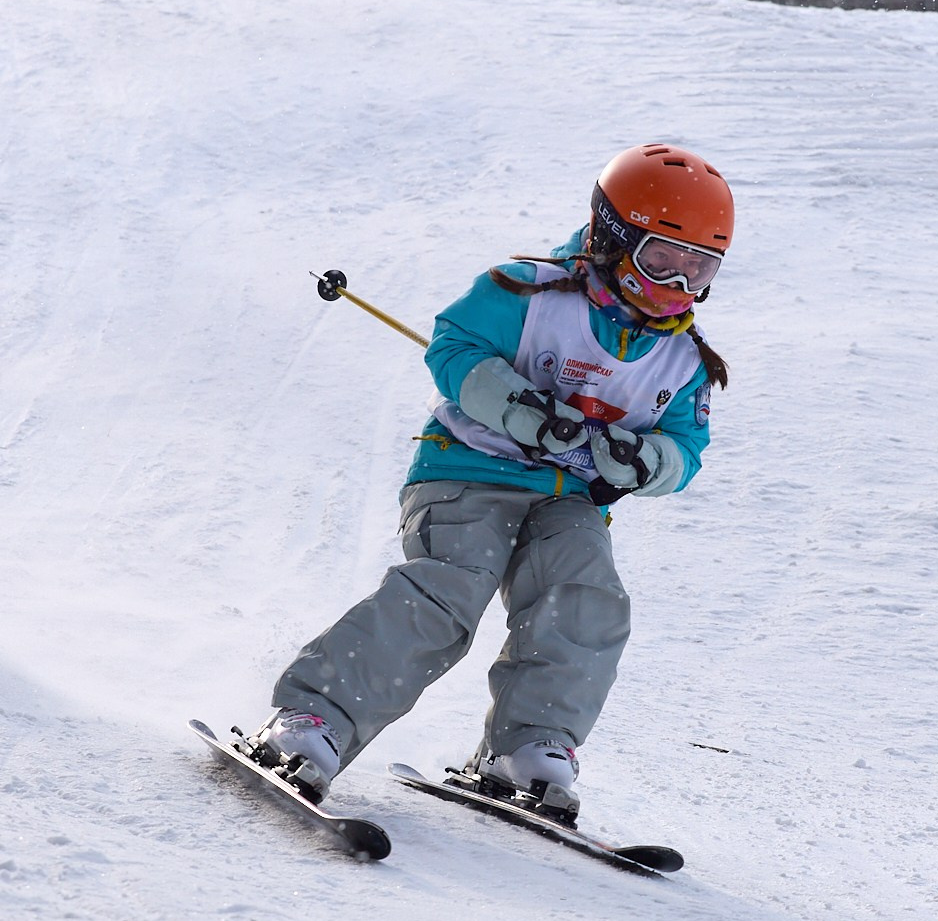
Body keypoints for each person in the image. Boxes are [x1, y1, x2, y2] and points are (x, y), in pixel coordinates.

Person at [251, 143, 732, 826]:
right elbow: (453, 347)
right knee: (451, 587)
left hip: (569, 501)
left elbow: (686, 448)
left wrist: (642, 460)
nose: (676, 286)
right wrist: (519, 410)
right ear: (613, 238)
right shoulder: (528, 293)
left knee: (586, 597)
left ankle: (530, 745)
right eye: (660, 260)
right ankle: (316, 718)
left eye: (699, 268)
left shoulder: (683, 359)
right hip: (467, 472)